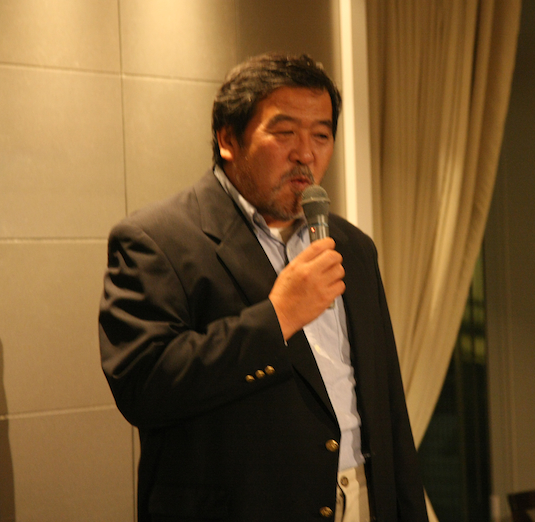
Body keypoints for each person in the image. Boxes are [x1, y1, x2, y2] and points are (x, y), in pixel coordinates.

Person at [99, 52, 428, 522]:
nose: (306, 154)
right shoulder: (157, 239)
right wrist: (277, 318)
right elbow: (144, 387)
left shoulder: (352, 246)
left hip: (363, 497)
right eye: (285, 132)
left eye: (321, 135)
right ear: (228, 139)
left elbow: (387, 402)